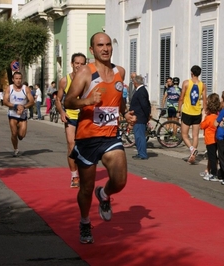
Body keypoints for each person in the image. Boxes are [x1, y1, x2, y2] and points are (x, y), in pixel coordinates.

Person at [64, 32, 136, 244]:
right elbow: (68, 101)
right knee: (86, 189)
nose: (105, 49)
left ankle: (104, 194)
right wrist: (86, 100)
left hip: (110, 136)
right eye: (100, 45)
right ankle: (85, 222)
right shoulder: (86, 72)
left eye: (108, 45)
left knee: (120, 180)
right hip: (87, 138)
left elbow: (118, 100)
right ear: (92, 50)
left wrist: (125, 113)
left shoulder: (119, 72)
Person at [55, 52, 87, 188]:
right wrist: (62, 111)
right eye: (77, 63)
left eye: (82, 64)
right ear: (72, 64)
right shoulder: (65, 80)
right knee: (71, 144)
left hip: (85, 117)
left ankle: (85, 172)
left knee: (85, 147)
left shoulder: (89, 80)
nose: (79, 66)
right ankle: (74, 176)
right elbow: (58, 99)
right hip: (71, 116)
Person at [178, 65, 208, 164]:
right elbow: (204, 100)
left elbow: (181, 98)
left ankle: (192, 149)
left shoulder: (186, 83)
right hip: (197, 112)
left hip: (187, 111)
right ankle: (193, 155)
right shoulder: (202, 85)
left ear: (191, 73)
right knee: (195, 135)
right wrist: (205, 111)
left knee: (184, 134)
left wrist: (179, 110)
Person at [3, 72, 35, 157]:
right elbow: (5, 101)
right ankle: (16, 149)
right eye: (16, 79)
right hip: (12, 114)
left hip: (23, 115)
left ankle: (18, 133)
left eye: (20, 78)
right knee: (14, 133)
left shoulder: (26, 88)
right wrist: (15, 106)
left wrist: (23, 107)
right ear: (13, 79)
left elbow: (32, 101)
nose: (18, 80)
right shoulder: (9, 88)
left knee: (21, 136)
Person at [129, 74, 151, 160]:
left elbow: (144, 105)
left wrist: (147, 115)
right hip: (139, 116)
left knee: (140, 136)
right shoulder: (141, 90)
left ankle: (142, 154)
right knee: (138, 136)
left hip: (139, 117)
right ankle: (140, 152)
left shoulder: (141, 91)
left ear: (135, 83)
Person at [200, 93, 220, 182]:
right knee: (214, 156)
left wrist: (203, 116)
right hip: (216, 139)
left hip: (210, 140)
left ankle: (213, 173)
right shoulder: (217, 116)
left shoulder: (209, 118)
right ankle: (210, 170)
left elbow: (202, 126)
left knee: (212, 157)